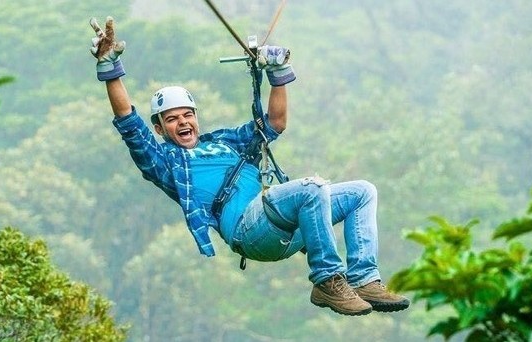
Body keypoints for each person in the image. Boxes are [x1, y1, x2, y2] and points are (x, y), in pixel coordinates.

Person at [89, 16, 409, 316]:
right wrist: (109, 65)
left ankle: (365, 279)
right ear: (160, 129)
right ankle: (327, 281)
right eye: (172, 119)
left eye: (187, 115)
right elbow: (130, 124)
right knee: (312, 187)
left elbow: (275, 123)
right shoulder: (166, 162)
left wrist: (278, 72)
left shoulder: (226, 143)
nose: (183, 122)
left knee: (362, 191)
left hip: (283, 223)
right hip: (248, 229)